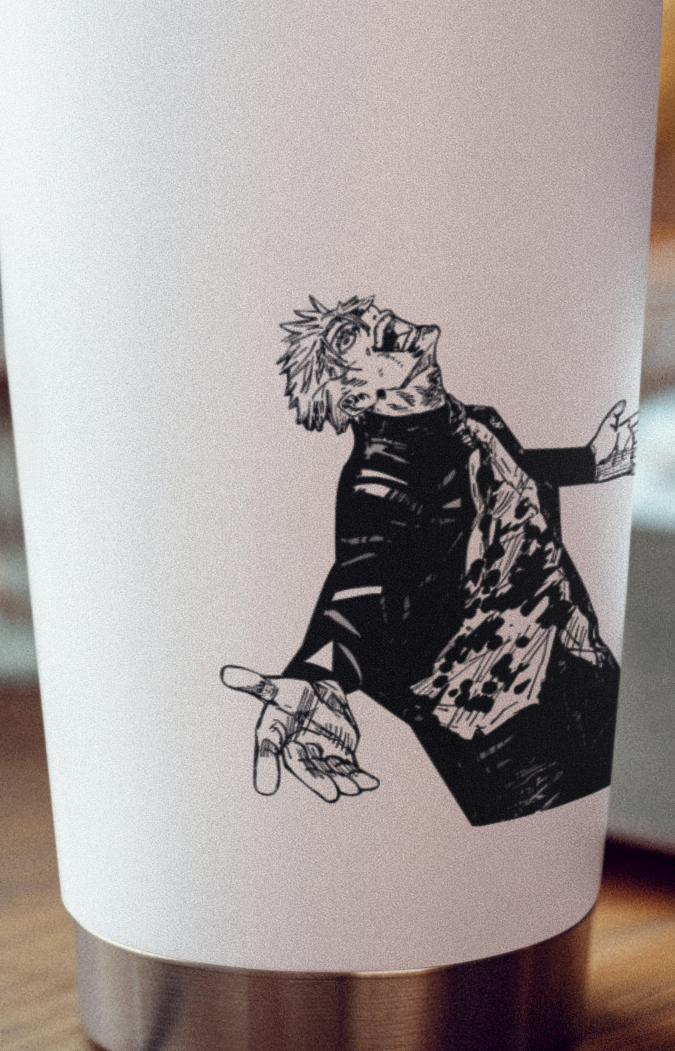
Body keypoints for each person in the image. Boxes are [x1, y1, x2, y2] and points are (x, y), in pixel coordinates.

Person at [221, 297, 636, 827]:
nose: (372, 321)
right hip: (501, 730)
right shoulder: (380, 483)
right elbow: (362, 581)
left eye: (359, 315)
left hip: (579, 663)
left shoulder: (471, 421)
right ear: (358, 394)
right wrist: (318, 677)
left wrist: (592, 462)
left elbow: (506, 474)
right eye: (347, 339)